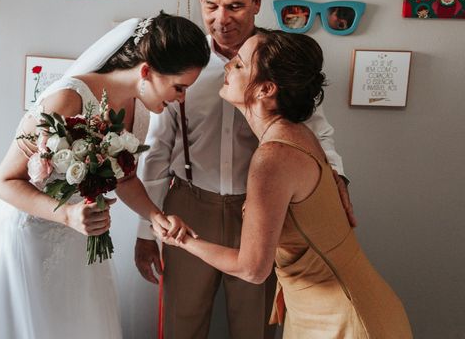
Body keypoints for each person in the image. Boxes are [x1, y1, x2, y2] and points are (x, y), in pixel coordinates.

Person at [0, 12, 211, 339]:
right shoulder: (67, 99)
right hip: (25, 241)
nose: (181, 98)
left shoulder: (141, 113)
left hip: (77, 245)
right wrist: (67, 214)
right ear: (146, 71)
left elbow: (125, 178)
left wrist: (156, 217)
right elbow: (3, 183)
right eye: (179, 87)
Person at [134, 0, 355, 339]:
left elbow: (316, 133)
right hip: (189, 204)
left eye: (235, 5)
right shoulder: (183, 62)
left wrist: (336, 178)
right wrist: (144, 231)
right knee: (181, 325)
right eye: (211, 6)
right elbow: (156, 149)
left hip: (261, 213)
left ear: (257, 1)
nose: (222, 20)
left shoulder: (278, 61)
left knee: (255, 328)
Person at [155, 30, 412, 338]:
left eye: (239, 65)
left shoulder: (272, 158)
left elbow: (253, 269)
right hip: (325, 308)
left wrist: (181, 240)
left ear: (265, 89)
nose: (226, 67)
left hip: (344, 319)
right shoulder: (296, 133)